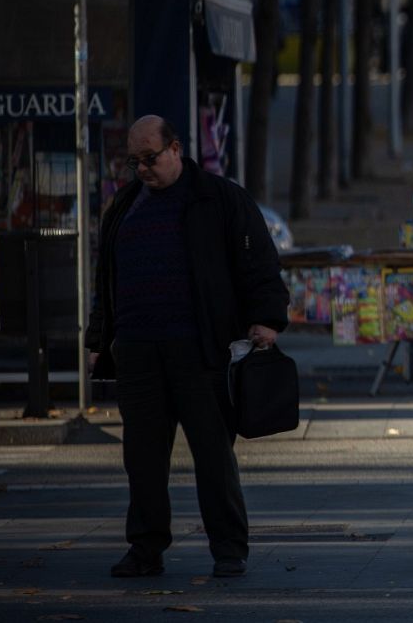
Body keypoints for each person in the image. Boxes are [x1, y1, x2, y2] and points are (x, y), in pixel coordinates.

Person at [85, 116, 289, 580]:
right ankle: (145, 548)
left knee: (213, 454)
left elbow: (259, 261)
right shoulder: (125, 206)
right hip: (138, 351)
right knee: (142, 458)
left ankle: (229, 549)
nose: (143, 169)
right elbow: (106, 281)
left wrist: (267, 318)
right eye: (134, 162)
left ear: (175, 149)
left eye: (150, 158)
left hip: (200, 350)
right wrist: (99, 340)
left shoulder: (218, 198)